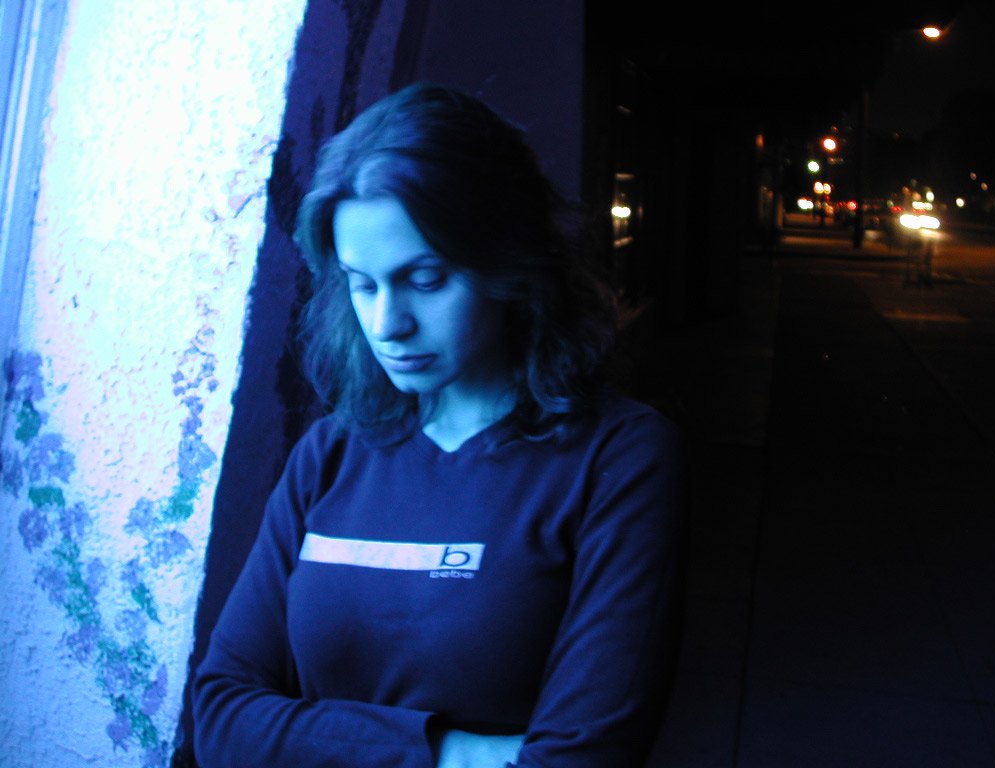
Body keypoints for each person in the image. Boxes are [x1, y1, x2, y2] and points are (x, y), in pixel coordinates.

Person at [192, 82, 687, 768]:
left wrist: (312, 740)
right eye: (361, 284)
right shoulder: (329, 454)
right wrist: (450, 752)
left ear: (506, 262)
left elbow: (583, 757)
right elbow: (220, 718)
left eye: (425, 279)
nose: (387, 324)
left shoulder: (618, 460)